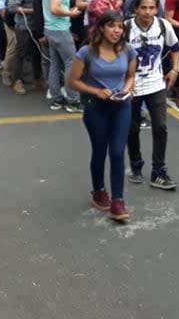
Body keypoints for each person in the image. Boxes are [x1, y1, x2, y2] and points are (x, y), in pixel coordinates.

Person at [67, 11, 137, 223]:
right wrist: (96, 91)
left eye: (120, 27)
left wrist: (125, 91)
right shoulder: (86, 53)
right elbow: (73, 81)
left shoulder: (128, 51)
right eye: (112, 26)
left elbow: (131, 76)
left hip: (121, 107)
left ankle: (118, 200)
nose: (117, 31)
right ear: (101, 28)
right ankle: (98, 190)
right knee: (100, 151)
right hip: (95, 107)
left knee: (117, 152)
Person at [125, 0, 179, 190]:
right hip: (131, 87)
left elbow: (175, 47)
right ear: (135, 9)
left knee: (160, 127)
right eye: (143, 8)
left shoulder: (163, 25)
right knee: (131, 129)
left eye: (151, 8)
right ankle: (136, 164)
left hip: (156, 84)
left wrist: (174, 69)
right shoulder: (125, 28)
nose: (148, 12)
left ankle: (158, 171)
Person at [43, 0, 84, 112]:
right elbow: (54, 8)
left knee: (55, 64)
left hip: (51, 28)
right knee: (70, 63)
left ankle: (57, 99)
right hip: (59, 29)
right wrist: (70, 13)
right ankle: (73, 101)